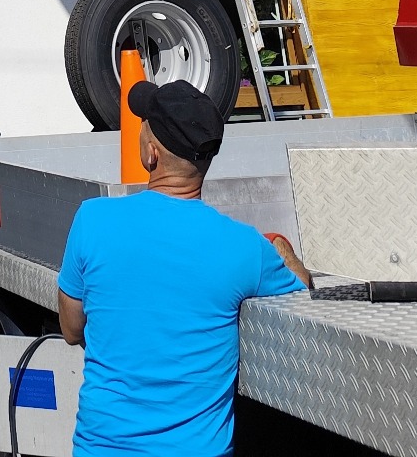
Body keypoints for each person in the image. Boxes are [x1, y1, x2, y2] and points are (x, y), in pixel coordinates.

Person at [56, 79, 310, 457]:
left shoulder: (93, 219)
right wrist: (282, 250)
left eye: (143, 123)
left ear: (150, 153)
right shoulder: (245, 248)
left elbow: (71, 329)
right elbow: (304, 289)